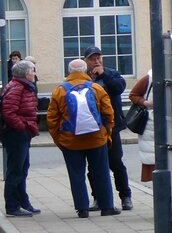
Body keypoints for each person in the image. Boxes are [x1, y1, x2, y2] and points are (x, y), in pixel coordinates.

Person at [48, 58, 117, 218]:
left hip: (70, 140)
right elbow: (109, 113)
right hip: (96, 138)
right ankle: (107, 206)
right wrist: (106, 132)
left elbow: (52, 119)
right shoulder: (96, 88)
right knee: (101, 172)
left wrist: (59, 138)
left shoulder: (59, 90)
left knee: (76, 174)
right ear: (85, 71)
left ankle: (82, 208)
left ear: (69, 72)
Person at [83, 46, 133, 211]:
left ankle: (125, 196)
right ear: (86, 61)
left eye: (98, 57)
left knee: (116, 163)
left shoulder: (112, 74)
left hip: (112, 127)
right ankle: (98, 198)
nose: (96, 61)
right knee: (94, 165)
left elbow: (119, 88)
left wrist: (103, 74)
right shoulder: (83, 78)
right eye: (92, 58)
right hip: (92, 128)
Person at [2, 59, 41, 216]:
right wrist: (22, 127)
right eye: (32, 70)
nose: (34, 73)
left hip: (22, 132)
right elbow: (8, 112)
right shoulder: (17, 88)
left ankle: (23, 202)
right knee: (16, 170)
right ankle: (12, 206)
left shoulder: (23, 86)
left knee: (22, 169)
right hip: (16, 134)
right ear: (26, 74)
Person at [128, 71, 156, 181]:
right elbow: (133, 95)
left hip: (165, 121)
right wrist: (146, 103)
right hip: (150, 122)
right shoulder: (149, 78)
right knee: (151, 159)